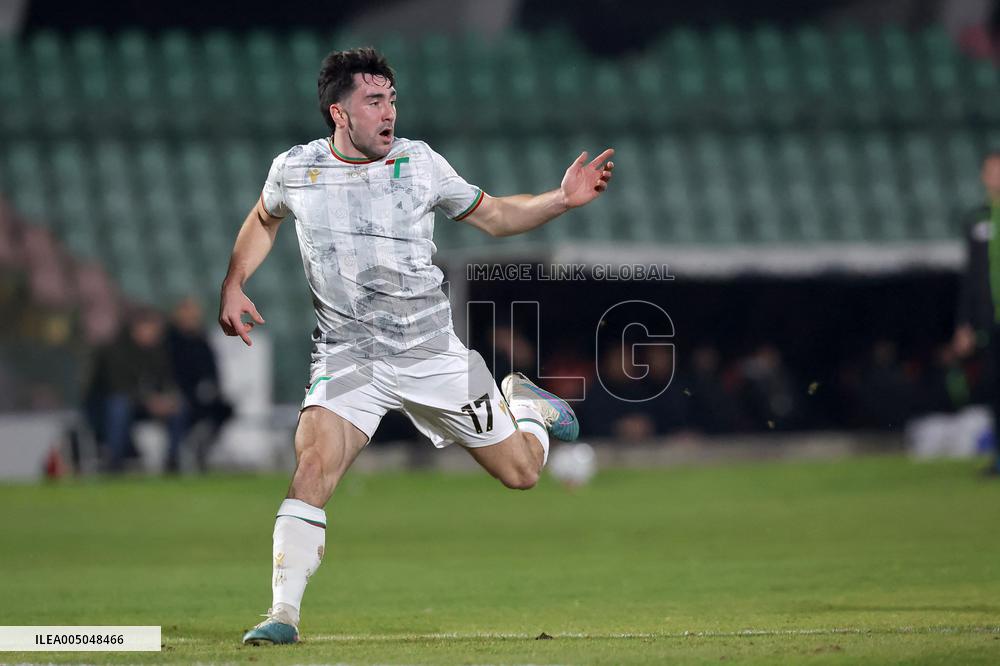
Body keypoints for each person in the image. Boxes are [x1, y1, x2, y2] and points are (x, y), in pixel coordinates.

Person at [217, 47, 614, 645]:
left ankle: (527, 408)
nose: (389, 113)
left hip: (432, 353)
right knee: (313, 468)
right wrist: (234, 281)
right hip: (349, 357)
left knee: (524, 473)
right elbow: (264, 218)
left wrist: (560, 199)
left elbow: (496, 216)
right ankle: (282, 614)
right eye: (374, 101)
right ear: (339, 113)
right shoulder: (295, 169)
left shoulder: (421, 164)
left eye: (392, 100)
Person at [86, 307, 187, 473]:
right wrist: (149, 401)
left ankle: (173, 460)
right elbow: (117, 387)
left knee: (179, 407)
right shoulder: (115, 350)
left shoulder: (157, 351)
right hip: (104, 406)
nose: (156, 333)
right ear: (138, 328)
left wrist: (166, 399)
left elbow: (165, 381)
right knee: (119, 406)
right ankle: (114, 462)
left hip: (142, 404)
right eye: (152, 328)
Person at [953, 150, 1000, 473]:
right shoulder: (977, 220)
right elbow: (970, 276)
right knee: (995, 387)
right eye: (991, 170)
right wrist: (964, 324)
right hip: (990, 321)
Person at [166, 296, 233, 471]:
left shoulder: (202, 340)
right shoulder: (169, 341)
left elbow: (213, 370)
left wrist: (212, 387)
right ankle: (173, 458)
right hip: (180, 393)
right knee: (179, 410)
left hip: (201, 394)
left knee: (225, 409)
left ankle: (202, 448)